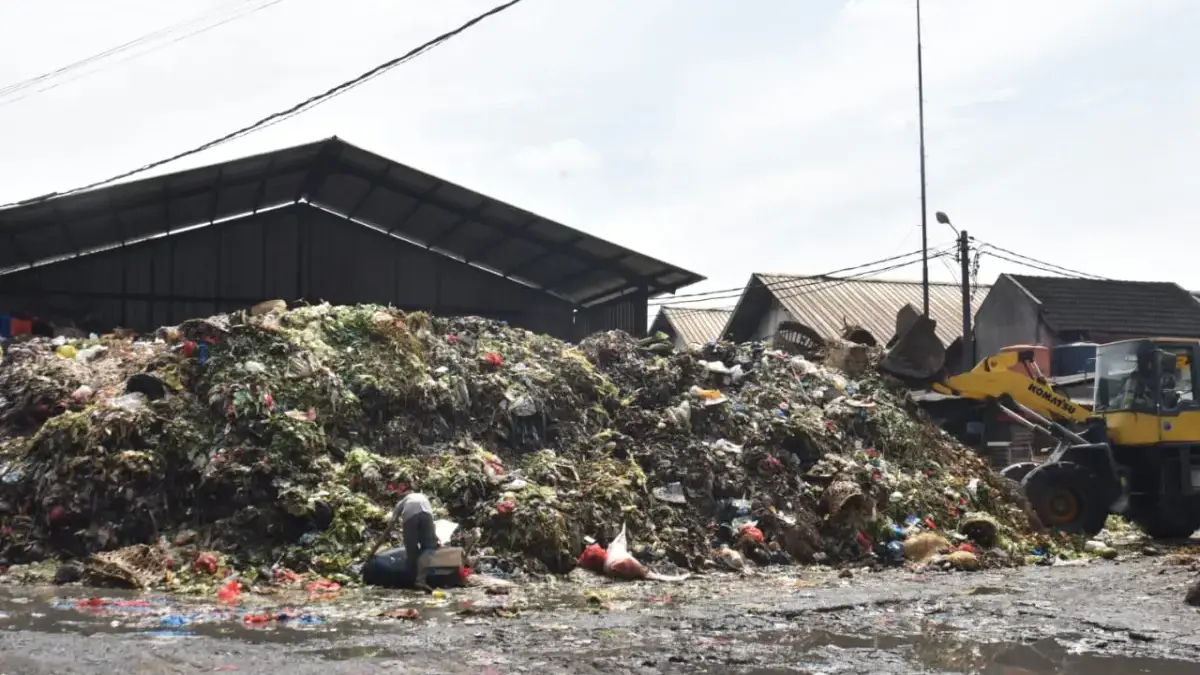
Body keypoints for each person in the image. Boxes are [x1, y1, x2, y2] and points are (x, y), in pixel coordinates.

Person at [372, 489, 437, 592]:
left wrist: (377, 546)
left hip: (410, 515)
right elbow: (432, 522)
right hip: (427, 513)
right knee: (428, 547)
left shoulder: (403, 502)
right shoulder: (423, 497)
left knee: (411, 549)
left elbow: (391, 523)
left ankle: (410, 580)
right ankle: (421, 580)